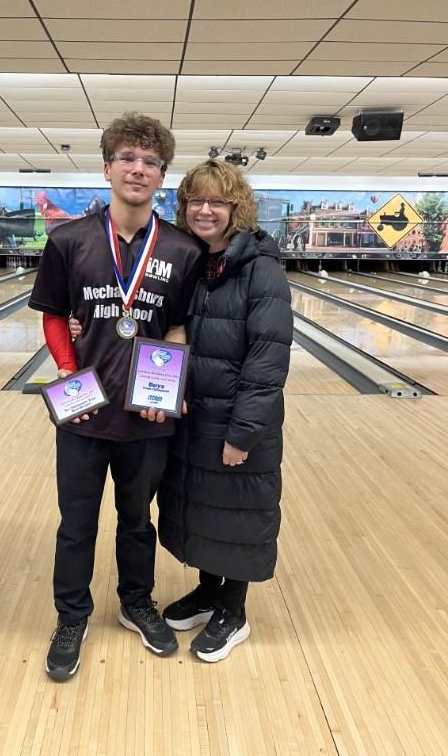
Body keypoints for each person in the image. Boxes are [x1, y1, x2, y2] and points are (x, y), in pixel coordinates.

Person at [28, 112, 203, 681]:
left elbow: (176, 330)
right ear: (107, 168)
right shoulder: (69, 240)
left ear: (162, 176)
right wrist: (65, 367)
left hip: (147, 417)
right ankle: (71, 615)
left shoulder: (181, 249)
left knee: (136, 522)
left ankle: (135, 601)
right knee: (75, 523)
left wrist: (170, 388)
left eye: (151, 162)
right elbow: (55, 316)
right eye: (127, 158)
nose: (138, 168)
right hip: (83, 415)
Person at [157, 159, 293, 663]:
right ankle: (208, 591)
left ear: (237, 207)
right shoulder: (188, 264)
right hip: (192, 415)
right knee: (203, 506)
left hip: (236, 421)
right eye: (197, 200)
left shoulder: (262, 269)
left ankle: (233, 611)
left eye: (217, 201)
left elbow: (268, 359)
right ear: (185, 206)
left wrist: (244, 432)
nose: (206, 210)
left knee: (236, 511)